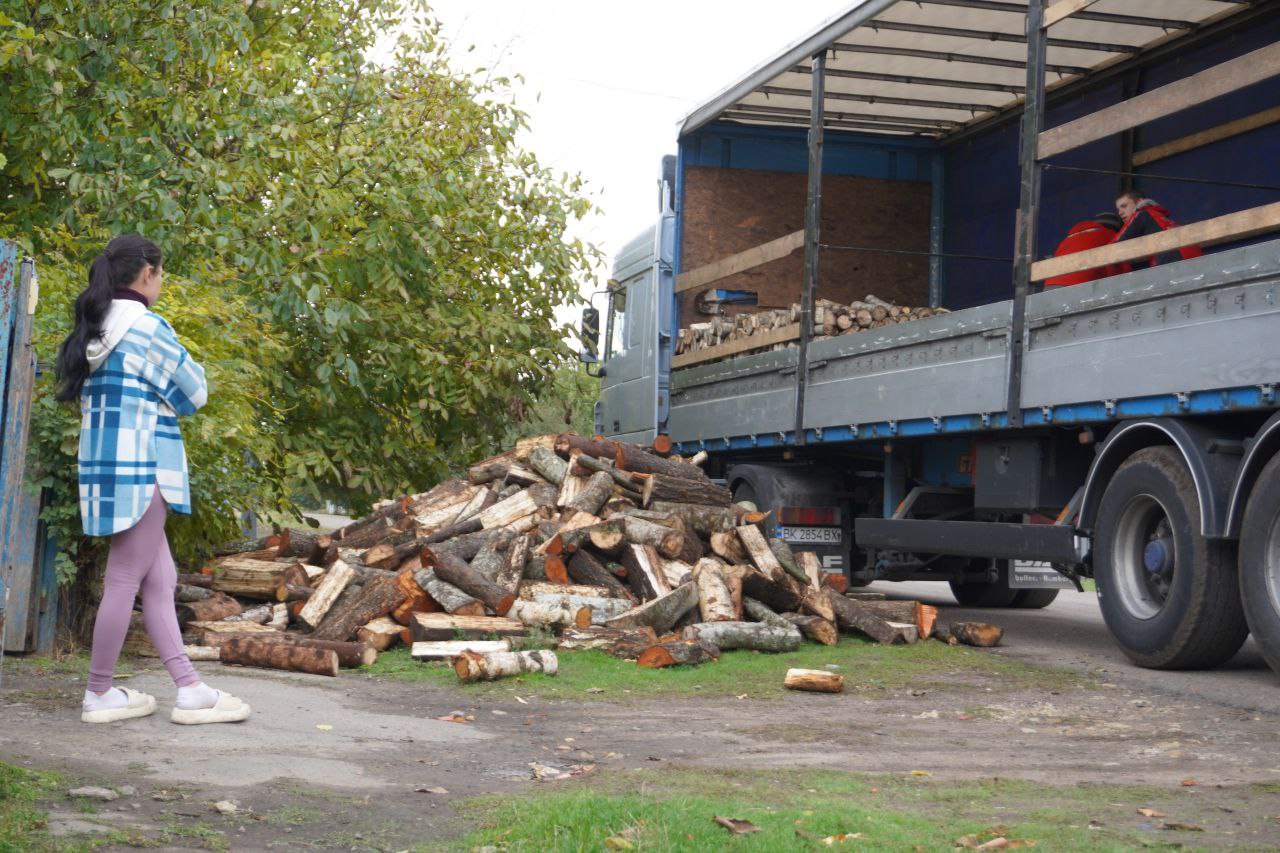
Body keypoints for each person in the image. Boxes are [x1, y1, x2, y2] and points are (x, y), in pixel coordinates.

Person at [55, 234, 251, 726]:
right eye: (161, 274)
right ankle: (99, 692)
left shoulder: (96, 330)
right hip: (144, 468)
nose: (161, 282)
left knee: (159, 580)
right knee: (124, 579)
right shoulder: (146, 329)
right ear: (147, 274)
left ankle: (190, 688)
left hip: (106, 470)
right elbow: (196, 391)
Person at [1112, 190, 1203, 270]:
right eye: (1118, 209)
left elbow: (1115, 245)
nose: (1120, 213)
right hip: (1195, 265)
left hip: (1175, 266)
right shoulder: (1159, 218)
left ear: (1140, 201)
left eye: (1124, 206)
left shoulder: (1143, 214)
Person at [1042, 212, 1123, 288]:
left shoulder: (1069, 237)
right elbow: (1119, 273)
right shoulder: (1110, 235)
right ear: (1115, 229)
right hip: (1076, 287)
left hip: (1049, 287)